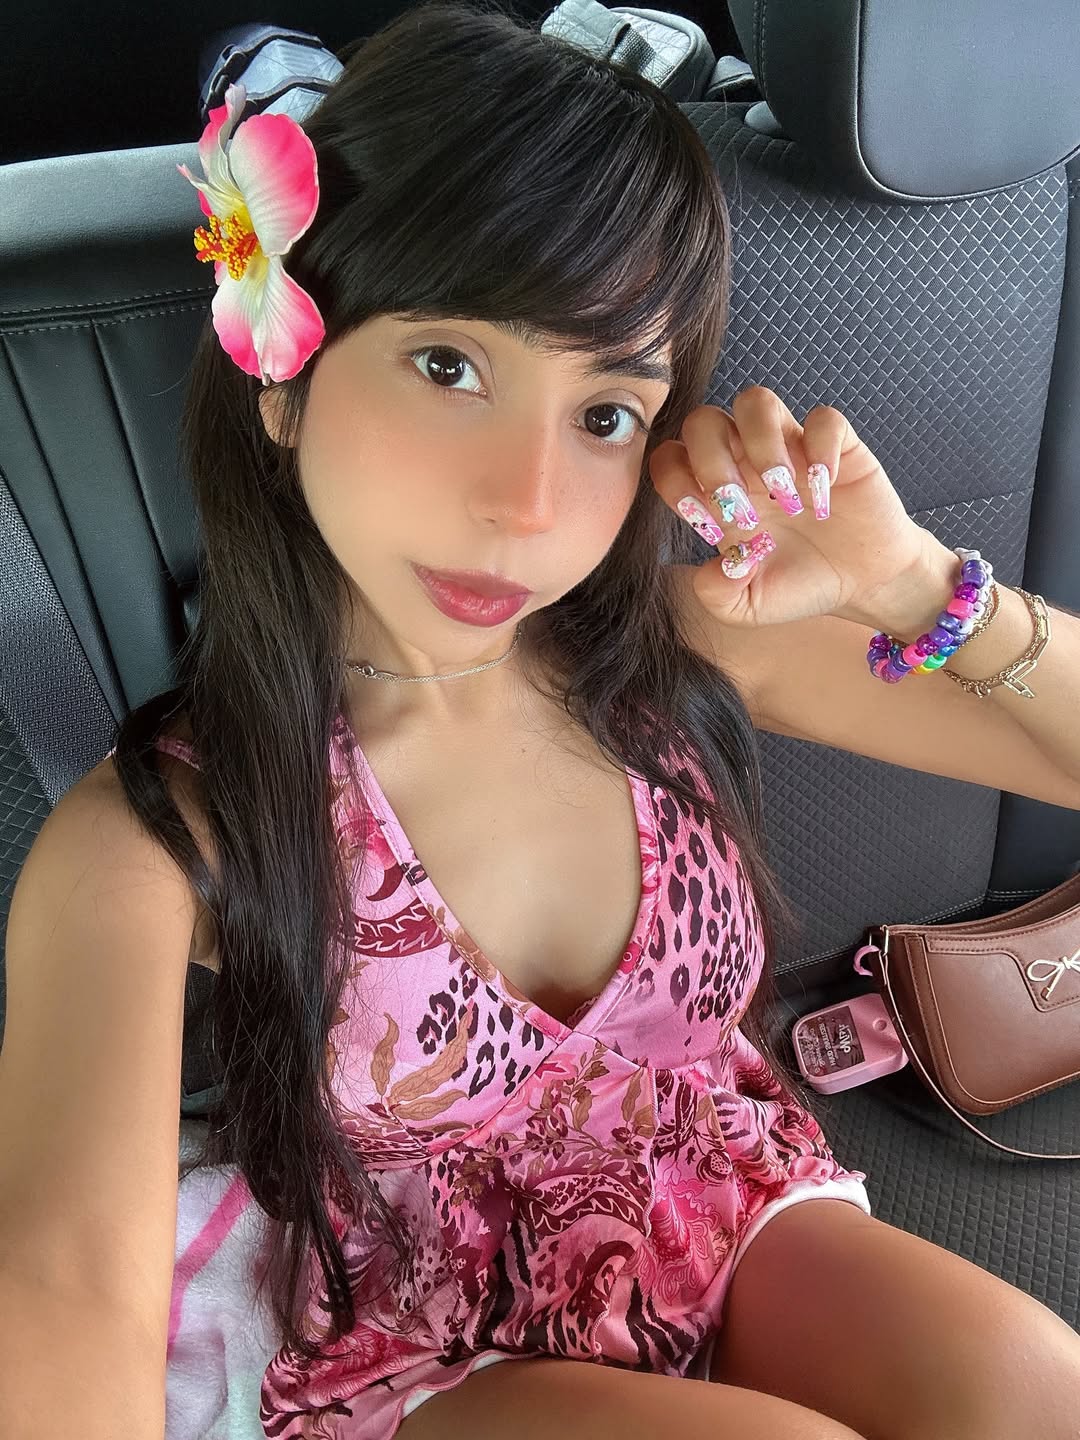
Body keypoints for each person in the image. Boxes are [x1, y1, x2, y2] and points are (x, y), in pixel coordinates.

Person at [3, 2, 1080, 1438]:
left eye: (606, 413)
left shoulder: (669, 654)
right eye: (451, 366)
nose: (529, 502)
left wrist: (917, 587)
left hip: (723, 1204)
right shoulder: (164, 839)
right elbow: (67, 1292)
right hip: (435, 1337)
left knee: (1038, 1393)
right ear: (284, 378)